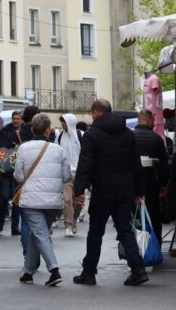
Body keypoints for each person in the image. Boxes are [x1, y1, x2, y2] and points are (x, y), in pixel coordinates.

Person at [73, 99, 149, 286]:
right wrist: (139, 190)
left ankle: (89, 272)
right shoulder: (127, 133)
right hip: (125, 190)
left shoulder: (92, 135)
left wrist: (79, 190)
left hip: (102, 190)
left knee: (95, 232)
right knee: (125, 230)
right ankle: (138, 269)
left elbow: (85, 164)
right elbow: (135, 164)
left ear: (96, 112)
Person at [15, 114, 69, 286]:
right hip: (53, 201)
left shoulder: (23, 148)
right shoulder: (59, 150)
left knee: (40, 233)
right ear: (48, 130)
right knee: (37, 233)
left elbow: (18, 176)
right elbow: (66, 176)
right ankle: (28, 272)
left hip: (31, 199)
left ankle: (54, 270)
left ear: (32, 129)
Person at [133, 110, 169, 246]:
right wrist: (163, 185)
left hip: (132, 184)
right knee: (153, 216)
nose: (154, 124)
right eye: (153, 121)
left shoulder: (129, 137)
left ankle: (134, 248)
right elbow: (164, 165)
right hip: (151, 183)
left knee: (134, 216)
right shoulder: (156, 139)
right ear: (148, 121)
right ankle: (154, 246)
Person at [0, 111, 26, 236]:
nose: (15, 121)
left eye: (17, 119)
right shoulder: (5, 131)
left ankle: (14, 227)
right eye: (14, 118)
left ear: (22, 120)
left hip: (19, 171)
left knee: (16, 200)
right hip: (6, 172)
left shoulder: (25, 132)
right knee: (3, 198)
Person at [57, 113, 82, 237]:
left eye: (64, 122)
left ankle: (74, 220)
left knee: (78, 202)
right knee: (67, 200)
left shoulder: (81, 135)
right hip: (65, 173)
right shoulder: (59, 136)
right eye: (62, 122)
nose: (62, 125)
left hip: (80, 173)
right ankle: (68, 225)